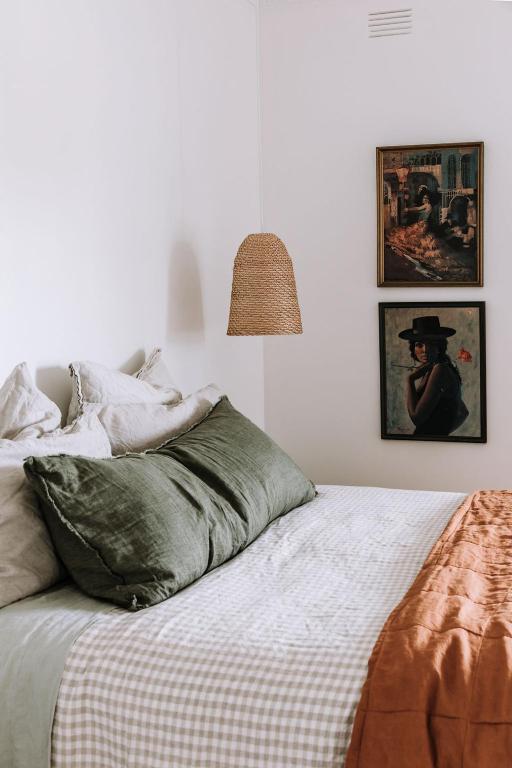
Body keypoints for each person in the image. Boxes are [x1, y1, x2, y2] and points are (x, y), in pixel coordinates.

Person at [398, 316, 468, 437]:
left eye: (430, 344)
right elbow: (463, 412)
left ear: (439, 347)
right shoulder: (437, 368)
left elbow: (417, 418)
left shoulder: (440, 369)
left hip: (427, 440)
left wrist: (410, 380)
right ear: (413, 348)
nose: (424, 350)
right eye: (419, 345)